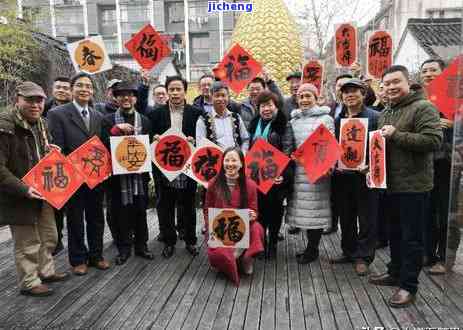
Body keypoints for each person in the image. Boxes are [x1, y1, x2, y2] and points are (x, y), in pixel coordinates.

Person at [369, 65, 442, 308]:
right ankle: (395, 271)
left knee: (412, 238)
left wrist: (397, 134)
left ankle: (409, 285)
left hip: (414, 186)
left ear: (408, 82)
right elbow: (382, 146)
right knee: (394, 233)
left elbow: (433, 141)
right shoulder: (386, 112)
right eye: (387, 83)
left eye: (396, 82)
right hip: (390, 184)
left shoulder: (424, 107)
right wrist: (370, 166)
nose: (391, 87)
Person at [0, 82, 69, 296]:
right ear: (17, 99)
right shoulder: (5, 127)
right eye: (29, 100)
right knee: (27, 242)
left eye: (39, 100)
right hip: (19, 195)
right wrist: (23, 189)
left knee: (49, 235)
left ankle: (45, 271)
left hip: (43, 189)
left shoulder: (41, 124)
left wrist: (51, 152)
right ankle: (29, 283)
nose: (35, 104)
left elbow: (38, 153)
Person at [48, 73, 110, 275]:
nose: (84, 89)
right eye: (80, 86)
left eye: (88, 86)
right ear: (72, 89)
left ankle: (97, 255)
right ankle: (78, 259)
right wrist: (75, 165)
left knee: (96, 217)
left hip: (94, 176)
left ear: (92, 90)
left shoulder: (98, 116)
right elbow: (57, 148)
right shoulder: (57, 114)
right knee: (75, 219)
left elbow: (102, 146)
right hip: (72, 177)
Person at [148, 75, 202, 259]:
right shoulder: (156, 114)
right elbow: (148, 139)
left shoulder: (196, 113)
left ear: (185, 91)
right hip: (164, 168)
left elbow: (203, 139)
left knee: (188, 205)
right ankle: (169, 241)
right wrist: (154, 139)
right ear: (167, 91)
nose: (175, 92)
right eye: (171, 89)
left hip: (188, 167)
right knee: (166, 206)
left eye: (179, 89)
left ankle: (190, 240)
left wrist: (194, 141)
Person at [101, 81, 154, 265]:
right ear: (115, 98)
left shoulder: (145, 120)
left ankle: (142, 246)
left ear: (135, 98)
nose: (126, 98)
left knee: (140, 211)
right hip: (118, 178)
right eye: (121, 95)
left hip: (140, 176)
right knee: (121, 212)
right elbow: (102, 146)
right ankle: (124, 248)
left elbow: (150, 148)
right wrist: (116, 131)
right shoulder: (108, 120)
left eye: (130, 94)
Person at [330, 78, 380, 276]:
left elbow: (381, 148)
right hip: (342, 177)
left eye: (355, 91)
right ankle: (349, 251)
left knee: (367, 217)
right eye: (346, 92)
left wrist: (371, 165)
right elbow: (333, 147)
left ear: (364, 94)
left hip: (366, 176)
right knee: (346, 216)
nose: (350, 95)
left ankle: (364, 257)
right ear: (341, 96)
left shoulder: (376, 117)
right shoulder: (338, 120)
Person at [285, 83, 333, 264]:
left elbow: (329, 145)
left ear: (316, 98)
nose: (304, 100)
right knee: (302, 212)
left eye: (308, 96)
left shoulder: (325, 119)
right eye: (301, 96)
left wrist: (320, 163)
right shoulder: (293, 121)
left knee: (315, 212)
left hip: (317, 173)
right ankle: (309, 248)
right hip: (298, 173)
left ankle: (313, 249)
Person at [204, 147, 264, 285]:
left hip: (242, 227)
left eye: (234, 160)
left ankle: (246, 258)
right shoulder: (214, 183)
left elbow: (254, 210)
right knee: (220, 255)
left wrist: (252, 215)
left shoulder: (250, 185)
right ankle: (229, 259)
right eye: (227, 160)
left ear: (241, 164)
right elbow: (207, 208)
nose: (230, 164)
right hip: (221, 228)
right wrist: (209, 226)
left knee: (257, 229)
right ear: (222, 162)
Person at [420, 58, 455, 275]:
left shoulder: (456, 99)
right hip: (424, 164)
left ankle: (445, 257)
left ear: (443, 73)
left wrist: (456, 123)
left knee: (446, 214)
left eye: (433, 70)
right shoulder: (421, 99)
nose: (428, 74)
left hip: (449, 166)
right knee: (427, 211)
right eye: (424, 71)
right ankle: (428, 253)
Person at [248, 90, 294, 258]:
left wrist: (280, 172)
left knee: (275, 212)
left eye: (269, 105)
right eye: (262, 106)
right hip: (256, 175)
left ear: (276, 106)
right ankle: (262, 243)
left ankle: (273, 243)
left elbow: (288, 150)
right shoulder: (254, 123)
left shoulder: (283, 123)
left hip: (276, 175)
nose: (266, 109)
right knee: (259, 211)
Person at [44, 76, 73, 255]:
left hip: (73, 162)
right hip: (52, 164)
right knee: (55, 206)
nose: (62, 90)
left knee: (74, 208)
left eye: (65, 87)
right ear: (52, 90)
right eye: (58, 87)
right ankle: (56, 241)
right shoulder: (43, 109)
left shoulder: (80, 109)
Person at [196, 81, 249, 152]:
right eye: (217, 96)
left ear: (228, 97)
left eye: (223, 95)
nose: (220, 99)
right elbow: (200, 146)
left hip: (235, 161)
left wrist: (242, 154)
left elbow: (245, 140)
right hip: (215, 161)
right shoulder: (203, 120)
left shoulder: (236, 117)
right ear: (211, 97)